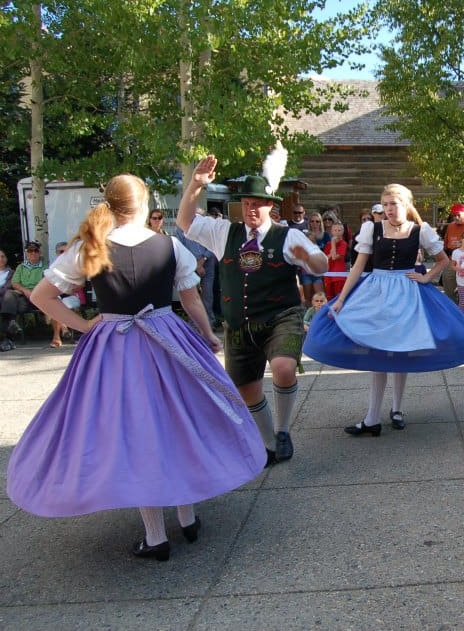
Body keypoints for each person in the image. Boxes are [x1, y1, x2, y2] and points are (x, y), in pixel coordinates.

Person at [6, 173, 265, 561]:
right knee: (177, 423)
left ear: (109, 205)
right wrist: (208, 335)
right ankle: (187, 519)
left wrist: (86, 325)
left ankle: (156, 536)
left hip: (115, 347)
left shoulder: (89, 248)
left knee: (137, 434)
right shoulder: (170, 245)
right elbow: (192, 300)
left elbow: (43, 296)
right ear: (144, 204)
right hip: (168, 340)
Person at [177, 153, 328, 466]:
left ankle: (283, 430)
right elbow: (185, 222)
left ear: (269, 205)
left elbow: (321, 264)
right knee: (247, 390)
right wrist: (195, 185)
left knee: (284, 368)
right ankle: (270, 444)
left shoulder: (289, 236)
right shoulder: (224, 233)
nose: (250, 210)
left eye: (256, 204)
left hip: (280, 317)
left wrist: (307, 256)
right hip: (240, 323)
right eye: (246, 204)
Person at [303, 183, 464, 436]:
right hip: (377, 292)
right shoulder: (372, 228)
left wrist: (426, 278)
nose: (389, 209)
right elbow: (358, 266)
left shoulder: (420, 231)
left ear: (406, 204)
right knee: (378, 353)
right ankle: (372, 418)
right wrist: (340, 299)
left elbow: (443, 260)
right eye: (386, 204)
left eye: (394, 204)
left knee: (401, 350)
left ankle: (397, 409)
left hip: (407, 294)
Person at [1, 241, 46, 342]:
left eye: (36, 251)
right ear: (26, 253)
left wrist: (34, 291)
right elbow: (15, 283)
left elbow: (47, 283)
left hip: (39, 297)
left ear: (39, 253)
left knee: (11, 299)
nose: (33, 253)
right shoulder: (21, 267)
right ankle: (11, 323)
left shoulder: (45, 266)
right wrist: (24, 290)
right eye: (30, 251)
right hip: (24, 296)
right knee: (10, 294)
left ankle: (8, 330)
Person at [301, 212, 326, 303]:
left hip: (318, 272)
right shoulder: (304, 235)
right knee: (308, 298)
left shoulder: (325, 235)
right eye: (312, 221)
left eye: (317, 221)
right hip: (306, 272)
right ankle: (308, 316)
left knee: (320, 297)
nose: (315, 223)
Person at [323, 221, 348, 300]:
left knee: (338, 298)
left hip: (339, 276)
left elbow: (334, 257)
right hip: (329, 275)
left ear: (343, 232)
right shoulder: (328, 244)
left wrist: (333, 243)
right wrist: (330, 251)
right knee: (329, 298)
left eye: (339, 230)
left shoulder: (343, 243)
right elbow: (325, 258)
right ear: (331, 231)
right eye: (335, 230)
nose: (337, 232)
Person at [0, 250, 14, 351]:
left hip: (4, 297)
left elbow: (8, 286)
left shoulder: (11, 273)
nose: (1, 259)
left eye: (3, 256)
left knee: (8, 298)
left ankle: (7, 339)